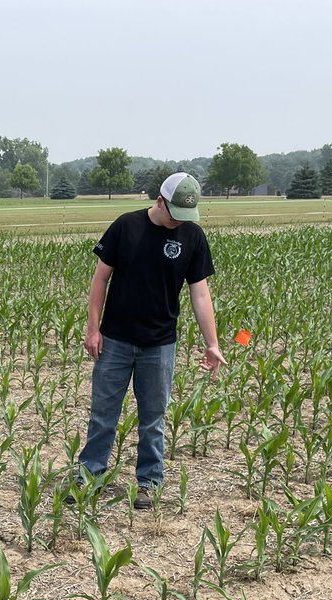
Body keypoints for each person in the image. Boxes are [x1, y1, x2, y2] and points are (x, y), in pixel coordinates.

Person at [77, 173, 225, 508]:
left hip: (160, 345)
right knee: (103, 415)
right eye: (175, 214)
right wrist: (93, 329)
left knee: (153, 419)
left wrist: (212, 343)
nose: (180, 222)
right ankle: (89, 478)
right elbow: (100, 279)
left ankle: (149, 482)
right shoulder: (125, 226)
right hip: (115, 341)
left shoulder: (193, 236)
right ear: (160, 201)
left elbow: (200, 293)